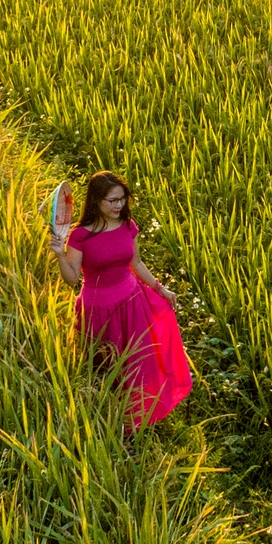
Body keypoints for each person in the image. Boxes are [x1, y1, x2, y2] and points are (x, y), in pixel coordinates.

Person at [51, 170, 191, 426]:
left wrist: (161, 289)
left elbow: (136, 262)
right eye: (112, 200)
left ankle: (135, 422)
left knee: (139, 365)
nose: (119, 205)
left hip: (132, 303)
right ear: (96, 201)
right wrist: (60, 254)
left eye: (122, 199)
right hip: (98, 311)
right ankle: (106, 421)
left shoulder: (128, 225)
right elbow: (72, 279)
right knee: (106, 369)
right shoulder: (80, 235)